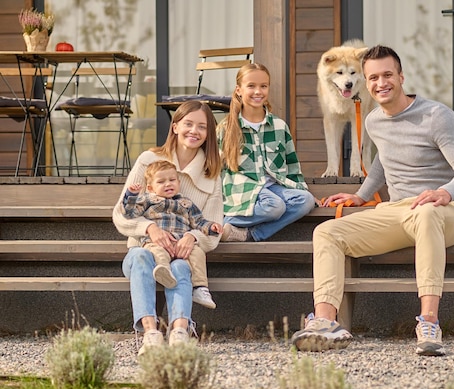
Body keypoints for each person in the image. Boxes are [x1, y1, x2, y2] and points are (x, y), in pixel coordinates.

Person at [291, 45, 454, 356]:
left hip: (445, 213)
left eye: (387, 75)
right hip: (398, 212)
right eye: (373, 78)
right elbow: (383, 160)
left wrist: (443, 192)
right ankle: (326, 323)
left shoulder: (437, 116)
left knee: (427, 213)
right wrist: (361, 195)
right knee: (327, 232)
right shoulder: (374, 121)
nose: (381, 83)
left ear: (401, 76)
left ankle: (429, 322)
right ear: (366, 83)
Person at [112, 100, 223, 354]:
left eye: (202, 127)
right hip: (143, 248)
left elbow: (212, 225)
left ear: (209, 134)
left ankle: (180, 332)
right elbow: (122, 213)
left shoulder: (211, 172)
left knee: (181, 266)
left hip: (182, 252)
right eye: (188, 124)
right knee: (140, 256)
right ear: (175, 127)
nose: (194, 131)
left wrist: (193, 238)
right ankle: (150, 334)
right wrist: (150, 229)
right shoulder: (149, 160)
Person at [218, 62, 315, 243]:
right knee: (274, 206)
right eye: (251, 86)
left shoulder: (279, 126)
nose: (258, 91)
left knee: (306, 201)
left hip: (273, 187)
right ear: (239, 90)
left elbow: (292, 164)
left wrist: (300, 188)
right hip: (243, 189)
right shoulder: (227, 128)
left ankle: (251, 234)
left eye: (263, 86)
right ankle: (225, 220)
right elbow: (216, 169)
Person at [122, 160, 222, 308]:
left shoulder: (186, 204)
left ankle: (200, 288)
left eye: (172, 180)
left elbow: (198, 221)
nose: (168, 184)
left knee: (198, 253)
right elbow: (130, 213)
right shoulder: (148, 200)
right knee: (157, 251)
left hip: (181, 244)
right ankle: (164, 271)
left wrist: (211, 227)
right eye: (161, 181)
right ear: (150, 188)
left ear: (179, 183)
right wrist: (131, 195)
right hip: (156, 241)